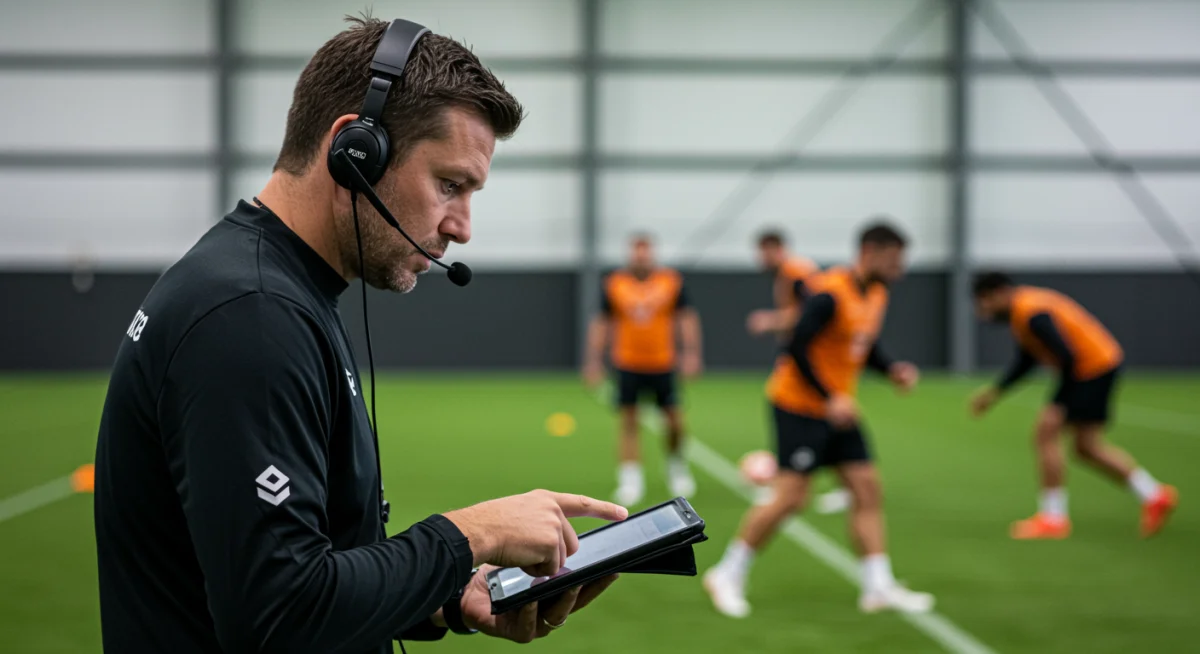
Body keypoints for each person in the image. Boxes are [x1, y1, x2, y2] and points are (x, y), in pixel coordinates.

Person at [93, 16, 628, 653]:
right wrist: (468, 536)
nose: (462, 227)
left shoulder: (276, 290)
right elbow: (279, 615)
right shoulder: (251, 315)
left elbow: (313, 570)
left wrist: (445, 597)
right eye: (449, 184)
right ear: (355, 152)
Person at [704, 221, 934, 618]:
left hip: (839, 409)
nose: (900, 269)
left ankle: (878, 587)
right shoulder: (829, 293)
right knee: (791, 498)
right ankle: (727, 573)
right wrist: (829, 397)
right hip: (799, 407)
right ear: (870, 253)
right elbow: (797, 346)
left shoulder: (877, 294)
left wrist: (891, 369)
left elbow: (863, 344)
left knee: (866, 489)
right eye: (893, 260)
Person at [969, 272, 1178, 539]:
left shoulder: (1032, 312)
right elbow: (1028, 360)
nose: (983, 309)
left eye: (985, 301)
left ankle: (1053, 518)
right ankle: (1155, 495)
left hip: (1090, 370)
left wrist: (1060, 403)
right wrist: (996, 392)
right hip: (1098, 366)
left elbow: (1068, 357)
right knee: (1086, 447)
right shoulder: (1023, 311)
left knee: (1046, 432)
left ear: (1000, 293)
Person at [583, 234, 704, 507]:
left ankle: (676, 466)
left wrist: (691, 353)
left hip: (663, 362)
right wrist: (593, 360)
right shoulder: (615, 283)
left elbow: (686, 318)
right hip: (627, 362)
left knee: (674, 421)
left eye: (645, 251)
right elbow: (601, 321)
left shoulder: (670, 281)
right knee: (628, 421)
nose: (641, 257)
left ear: (652, 254)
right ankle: (630, 479)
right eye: (636, 251)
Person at [745, 230, 820, 340]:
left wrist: (770, 321)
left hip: (812, 344)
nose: (763, 258)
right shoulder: (782, 274)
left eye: (767, 252)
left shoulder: (795, 271)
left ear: (780, 250)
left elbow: (811, 311)